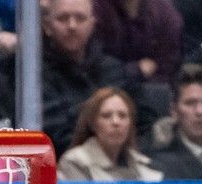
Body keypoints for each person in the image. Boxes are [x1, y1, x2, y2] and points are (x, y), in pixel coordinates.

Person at [37, 0, 137, 155]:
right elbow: (54, 135)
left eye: (80, 18)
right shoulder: (33, 74)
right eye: (63, 18)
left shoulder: (113, 69)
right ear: (47, 26)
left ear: (92, 24)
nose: (72, 26)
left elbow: (136, 126)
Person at [57, 87, 163, 181]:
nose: (116, 122)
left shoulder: (144, 165)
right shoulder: (75, 162)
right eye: (106, 116)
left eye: (122, 116)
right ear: (93, 124)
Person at [92, 0, 184, 84]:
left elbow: (168, 66)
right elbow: (95, 66)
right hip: (103, 91)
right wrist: (136, 70)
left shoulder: (164, 13)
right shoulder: (96, 8)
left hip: (151, 90)